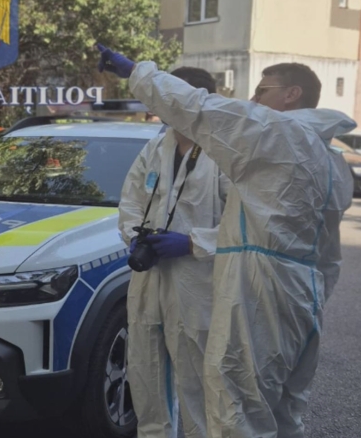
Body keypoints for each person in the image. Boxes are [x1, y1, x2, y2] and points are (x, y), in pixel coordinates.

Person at [97, 44, 354, 438]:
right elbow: (328, 258)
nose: (253, 99)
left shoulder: (276, 136)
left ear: (292, 94)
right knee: (279, 411)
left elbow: (201, 108)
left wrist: (137, 71)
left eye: (262, 90)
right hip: (298, 295)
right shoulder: (328, 158)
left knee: (235, 408)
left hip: (251, 292)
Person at [119, 66, 230, 438]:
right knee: (146, 377)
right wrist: (133, 236)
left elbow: (245, 224)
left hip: (198, 285)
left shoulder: (224, 152)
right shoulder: (156, 147)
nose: (161, 106)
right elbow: (131, 200)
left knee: (199, 385)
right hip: (149, 280)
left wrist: (194, 243)